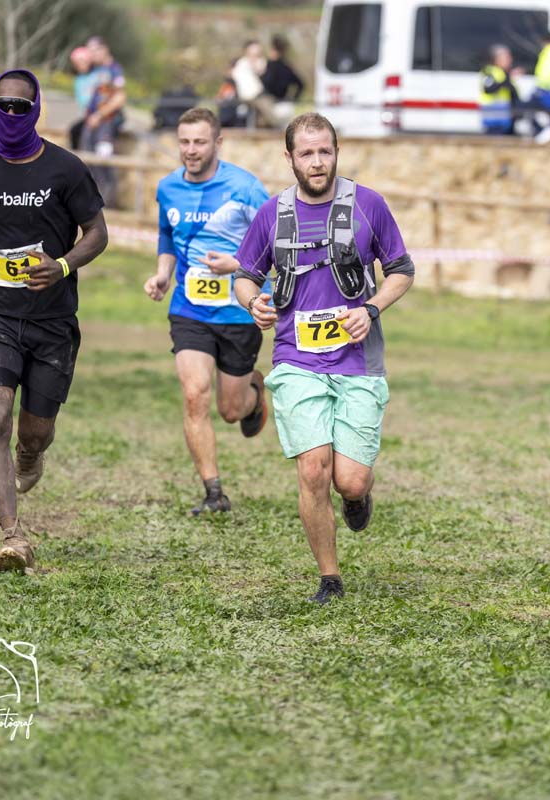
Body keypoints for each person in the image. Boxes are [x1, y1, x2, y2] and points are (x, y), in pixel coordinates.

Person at [233, 113, 415, 604]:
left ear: (337, 151)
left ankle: (358, 496)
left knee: (349, 480)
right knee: (314, 469)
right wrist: (253, 303)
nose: (317, 162)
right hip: (296, 359)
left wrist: (371, 308)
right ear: (289, 157)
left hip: (358, 362)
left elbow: (401, 270)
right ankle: (330, 579)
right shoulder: (272, 214)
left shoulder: (368, 205)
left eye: (325, 151)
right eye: (307, 153)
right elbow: (245, 276)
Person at [0, 69, 108, 573]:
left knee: (35, 431)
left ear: (35, 109)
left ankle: (31, 454)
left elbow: (97, 232)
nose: (11, 113)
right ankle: (12, 536)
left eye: (20, 106)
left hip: (52, 319)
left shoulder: (65, 168)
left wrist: (63, 265)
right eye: (3, 105)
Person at [143, 107, 272, 514]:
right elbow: (167, 235)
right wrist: (163, 274)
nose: (190, 150)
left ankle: (254, 393)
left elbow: (275, 243)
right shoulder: (168, 188)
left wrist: (237, 264)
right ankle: (213, 492)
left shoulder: (245, 188)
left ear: (218, 142)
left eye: (199, 142)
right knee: (194, 393)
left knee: (230, 411)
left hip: (239, 311)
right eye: (184, 141)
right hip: (190, 309)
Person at [80, 37, 125, 202]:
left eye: (93, 51)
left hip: (105, 124)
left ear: (104, 49)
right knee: (87, 159)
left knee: (103, 160)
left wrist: (99, 115)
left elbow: (120, 98)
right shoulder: (96, 70)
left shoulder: (114, 70)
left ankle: (107, 202)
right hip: (92, 122)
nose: (90, 55)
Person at [479, 45, 522, 136]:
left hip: (505, 117)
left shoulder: (504, 73)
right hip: (493, 118)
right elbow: (488, 89)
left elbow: (512, 92)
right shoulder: (489, 71)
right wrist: (506, 79)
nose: (510, 60)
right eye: (507, 57)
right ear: (497, 59)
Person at [262, 35, 304, 121]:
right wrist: (293, 99)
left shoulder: (271, 66)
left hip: (271, 106)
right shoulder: (286, 67)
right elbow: (300, 84)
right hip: (284, 104)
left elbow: (267, 82)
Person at [231, 40, 273, 128]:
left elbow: (266, 77)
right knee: (267, 110)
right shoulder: (242, 63)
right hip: (250, 96)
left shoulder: (263, 62)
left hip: (261, 95)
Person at [67, 46, 96, 150]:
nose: (80, 65)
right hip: (87, 115)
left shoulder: (96, 76)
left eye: (82, 62)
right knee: (74, 131)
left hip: (96, 114)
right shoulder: (79, 79)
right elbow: (81, 100)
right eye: (77, 63)